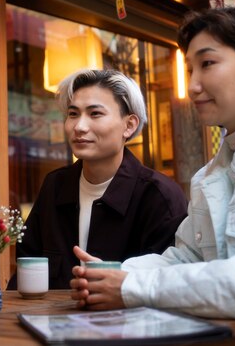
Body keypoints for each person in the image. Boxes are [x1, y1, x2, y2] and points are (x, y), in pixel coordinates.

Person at [70, 2, 235, 346]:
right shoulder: (212, 172)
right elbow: (185, 259)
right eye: (190, 69)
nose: (193, 86)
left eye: (207, 64)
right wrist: (115, 274)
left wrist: (135, 287)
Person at [10, 69, 188, 289]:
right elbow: (27, 268)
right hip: (50, 321)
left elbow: (170, 283)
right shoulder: (55, 186)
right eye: (73, 114)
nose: (79, 127)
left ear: (129, 125)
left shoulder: (159, 196)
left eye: (95, 114)